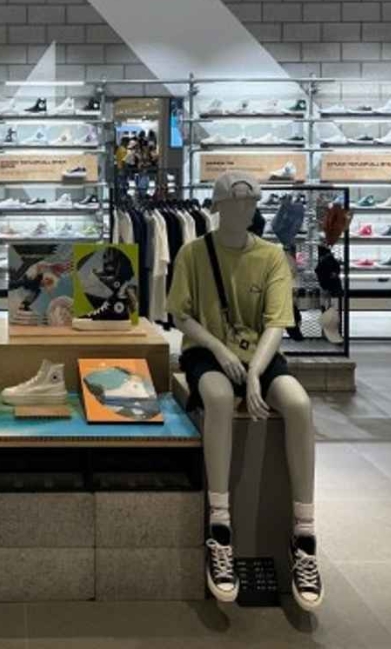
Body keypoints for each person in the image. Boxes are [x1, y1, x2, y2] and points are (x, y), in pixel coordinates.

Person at [168, 170, 323, 611]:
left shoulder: (272, 256)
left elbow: (277, 322)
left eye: (249, 203)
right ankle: (220, 525)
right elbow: (181, 315)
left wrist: (255, 370)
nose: (243, 211)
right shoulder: (193, 253)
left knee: (299, 405)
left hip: (260, 357)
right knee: (218, 397)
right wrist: (220, 350)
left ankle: (304, 531)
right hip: (207, 352)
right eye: (235, 204)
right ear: (218, 208)